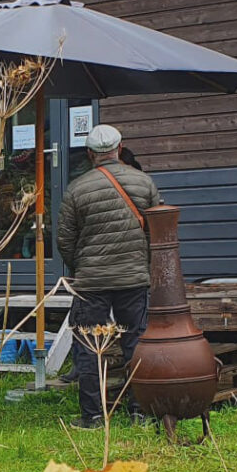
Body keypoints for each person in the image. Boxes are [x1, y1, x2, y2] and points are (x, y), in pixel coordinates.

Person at [57, 124, 162, 429]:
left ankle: (92, 416)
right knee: (136, 343)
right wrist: (143, 263)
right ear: (120, 147)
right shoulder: (144, 183)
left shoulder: (77, 189)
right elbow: (157, 230)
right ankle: (139, 411)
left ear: (90, 154)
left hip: (91, 282)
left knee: (89, 346)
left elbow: (65, 239)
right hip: (133, 278)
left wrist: (81, 266)